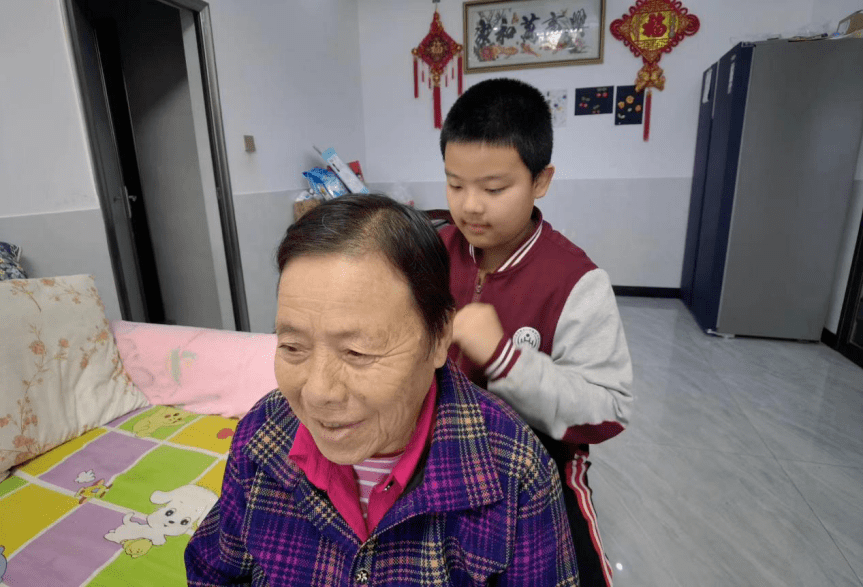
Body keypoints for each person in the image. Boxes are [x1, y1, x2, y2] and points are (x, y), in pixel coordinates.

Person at [185, 194, 579, 586]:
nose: (318, 392)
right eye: (292, 347)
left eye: (357, 352)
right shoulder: (262, 437)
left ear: (439, 336)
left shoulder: (515, 472)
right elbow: (213, 572)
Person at [438, 78, 634, 587]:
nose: (470, 206)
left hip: (540, 469)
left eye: (493, 189)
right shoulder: (433, 251)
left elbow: (609, 409)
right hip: (440, 461)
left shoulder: (576, 281)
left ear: (540, 181)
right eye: (455, 185)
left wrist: (505, 361)